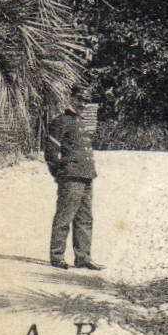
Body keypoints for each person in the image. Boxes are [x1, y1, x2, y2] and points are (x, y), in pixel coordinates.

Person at [45, 84, 105, 270]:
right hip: (70, 177)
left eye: (86, 101)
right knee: (65, 216)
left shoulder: (79, 122)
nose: (83, 104)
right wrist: (60, 174)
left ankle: (83, 257)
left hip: (86, 175)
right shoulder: (61, 121)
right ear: (71, 99)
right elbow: (51, 153)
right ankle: (57, 256)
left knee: (85, 218)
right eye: (80, 100)